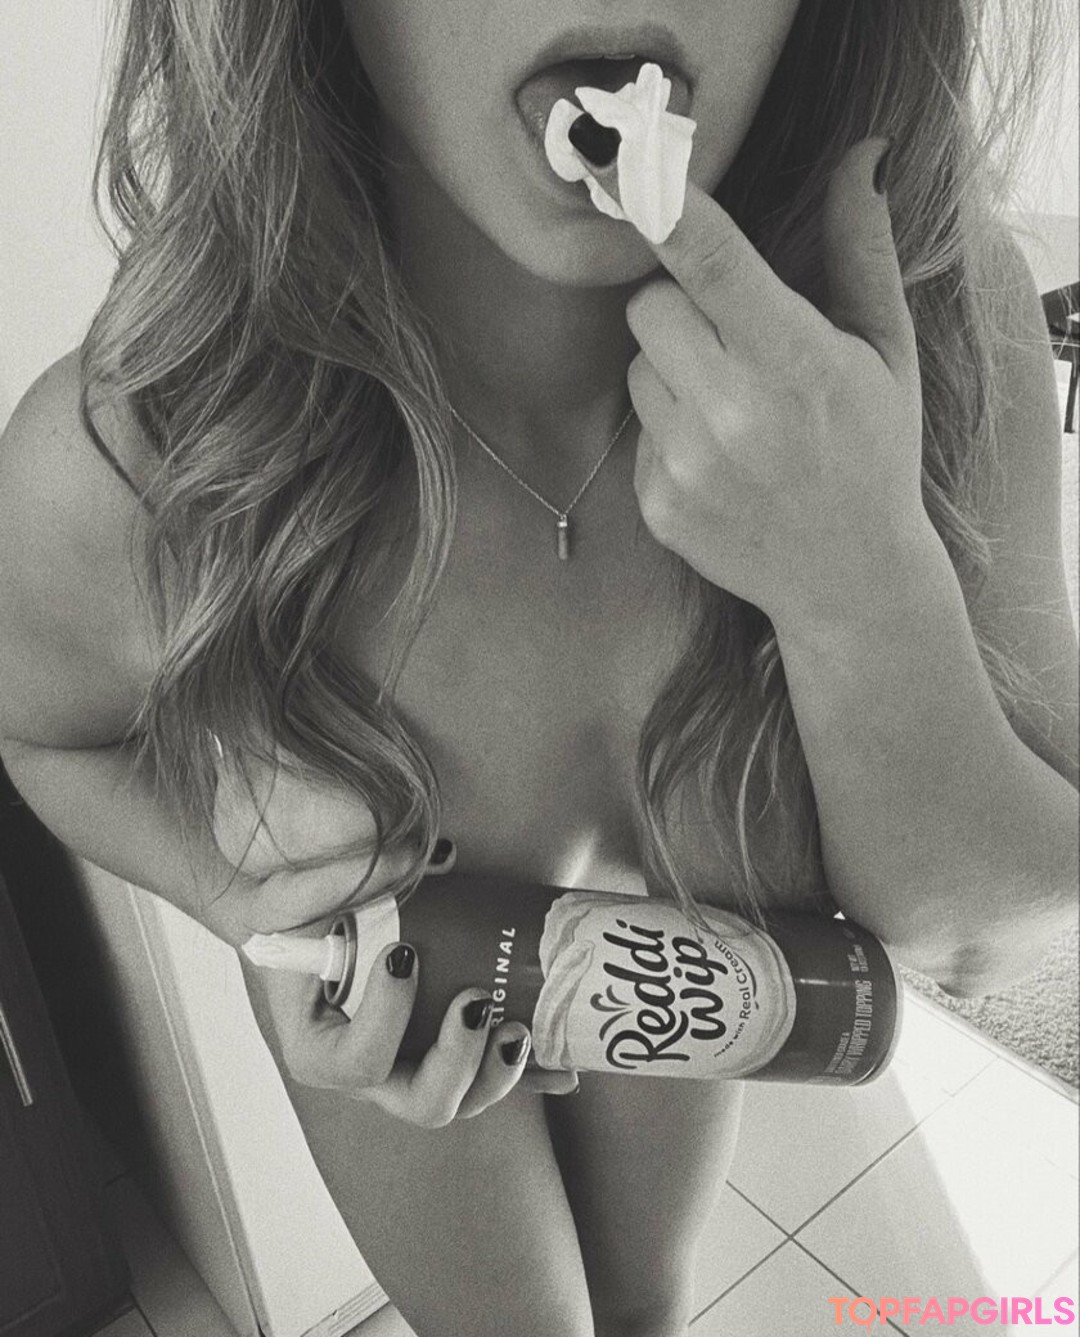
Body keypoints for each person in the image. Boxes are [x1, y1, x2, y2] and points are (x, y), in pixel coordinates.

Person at [1, 1, 1077, 1332]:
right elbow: (41, 732)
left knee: (645, 1312)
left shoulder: (929, 316)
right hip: (407, 1020)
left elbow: (987, 945)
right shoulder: (155, 449)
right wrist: (236, 894)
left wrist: (860, 586)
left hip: (679, 981)